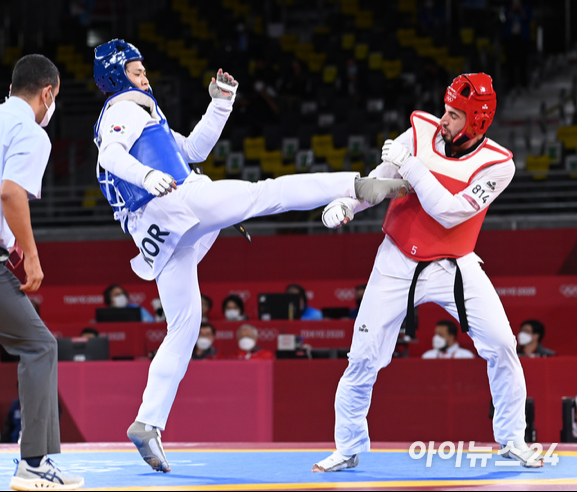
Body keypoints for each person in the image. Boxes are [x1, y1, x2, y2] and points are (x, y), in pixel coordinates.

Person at [92, 38, 407, 473]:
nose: (144, 76)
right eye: (134, 70)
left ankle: (147, 421)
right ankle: (355, 186)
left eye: (143, 69)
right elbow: (110, 155)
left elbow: (193, 152)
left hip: (158, 229)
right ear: (114, 76)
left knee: (184, 325)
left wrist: (220, 105)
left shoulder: (147, 115)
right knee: (267, 193)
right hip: (175, 202)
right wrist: (148, 175)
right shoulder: (122, 108)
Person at [315, 73, 544, 472]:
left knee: (503, 345)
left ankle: (512, 439)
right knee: (363, 358)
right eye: (446, 109)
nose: (444, 119)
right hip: (397, 259)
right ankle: (348, 447)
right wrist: (346, 206)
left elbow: (451, 212)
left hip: (455, 265)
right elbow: (380, 182)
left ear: (477, 121)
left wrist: (414, 168)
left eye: (455, 115)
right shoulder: (417, 133)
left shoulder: (497, 165)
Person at [0, 54, 84, 490]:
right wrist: (30, 255)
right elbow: (11, 192)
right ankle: (33, 465)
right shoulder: (31, 133)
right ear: (47, 93)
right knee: (40, 347)